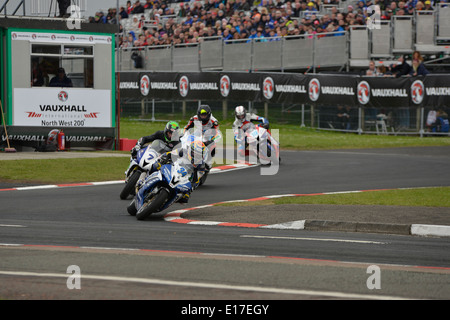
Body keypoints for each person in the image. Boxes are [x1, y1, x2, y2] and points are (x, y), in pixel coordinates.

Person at [156, 136, 208, 203]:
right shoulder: (183, 151)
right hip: (172, 168)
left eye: (198, 155)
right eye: (194, 153)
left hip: (183, 179)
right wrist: (164, 157)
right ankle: (145, 178)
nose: (195, 156)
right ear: (190, 150)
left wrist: (189, 190)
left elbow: (196, 181)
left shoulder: (201, 166)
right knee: (156, 165)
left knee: (184, 198)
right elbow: (170, 154)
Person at [183, 105, 221, 171]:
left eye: (204, 115)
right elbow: (186, 128)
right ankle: (185, 158)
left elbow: (217, 133)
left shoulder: (213, 121)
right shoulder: (194, 119)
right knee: (186, 142)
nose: (203, 117)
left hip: (208, 136)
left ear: (208, 115)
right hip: (198, 133)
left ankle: (208, 163)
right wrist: (184, 135)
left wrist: (211, 140)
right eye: (201, 115)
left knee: (212, 146)